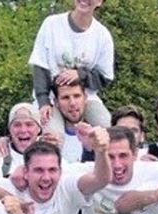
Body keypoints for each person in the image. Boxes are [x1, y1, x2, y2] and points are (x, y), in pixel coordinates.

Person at [29, 0, 113, 134]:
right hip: (51, 97)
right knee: (52, 136)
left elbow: (105, 77)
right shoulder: (51, 24)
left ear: (100, 2)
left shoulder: (103, 35)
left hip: (85, 98)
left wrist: (81, 75)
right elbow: (40, 65)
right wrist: (43, 101)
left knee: (107, 131)